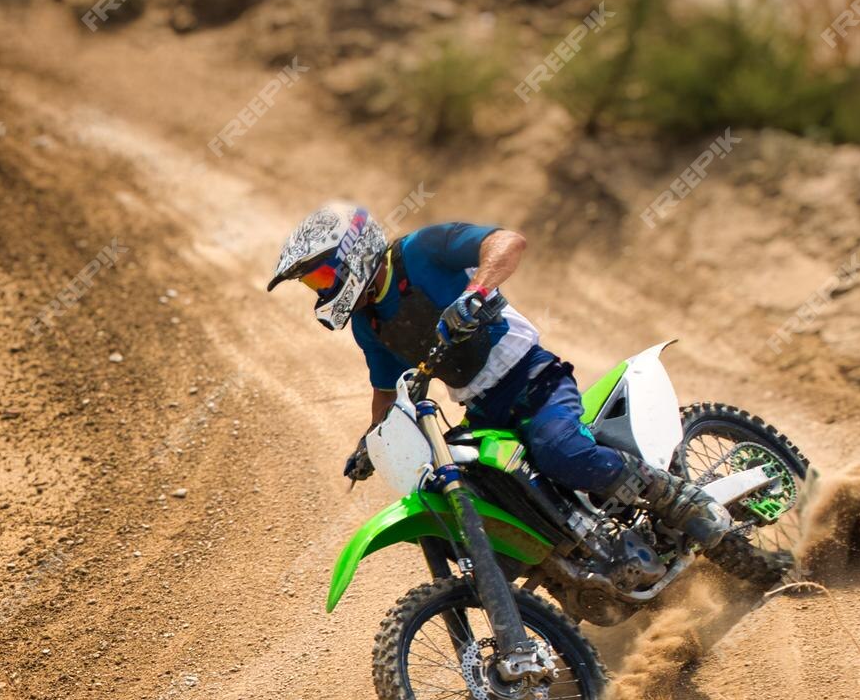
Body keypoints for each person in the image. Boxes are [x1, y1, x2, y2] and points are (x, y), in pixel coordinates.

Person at [265, 204, 727, 546]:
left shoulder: (421, 249)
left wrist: (476, 291)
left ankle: (678, 499)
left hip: (532, 378)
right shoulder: (371, 324)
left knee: (562, 451)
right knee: (478, 496)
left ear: (354, 250)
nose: (322, 290)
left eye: (321, 277)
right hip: (483, 408)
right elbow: (386, 390)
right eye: (313, 284)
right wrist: (371, 441)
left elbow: (507, 241)